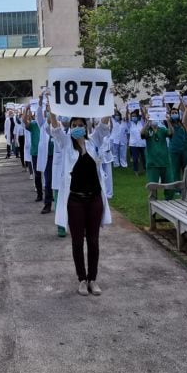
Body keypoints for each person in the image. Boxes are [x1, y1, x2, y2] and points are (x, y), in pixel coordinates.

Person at [46, 105, 112, 296]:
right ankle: (81, 279)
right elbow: (56, 129)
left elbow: (103, 125)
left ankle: (93, 279)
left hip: (94, 200)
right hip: (75, 200)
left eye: (80, 125)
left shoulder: (93, 142)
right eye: (73, 125)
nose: (77, 127)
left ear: (86, 126)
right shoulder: (66, 143)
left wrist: (109, 99)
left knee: (93, 241)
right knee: (77, 241)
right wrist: (52, 110)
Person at [142, 113, 174, 185]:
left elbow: (171, 133)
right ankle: (153, 196)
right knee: (153, 186)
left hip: (164, 162)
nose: (154, 121)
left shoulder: (162, 129)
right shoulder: (148, 130)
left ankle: (168, 196)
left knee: (169, 185)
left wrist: (168, 121)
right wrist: (147, 122)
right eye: (152, 119)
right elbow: (142, 134)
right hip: (152, 163)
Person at [126, 107, 146, 176]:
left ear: (137, 116)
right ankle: (136, 171)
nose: (133, 117)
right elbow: (126, 118)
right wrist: (127, 110)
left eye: (134, 116)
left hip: (142, 143)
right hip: (133, 144)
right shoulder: (130, 123)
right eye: (132, 116)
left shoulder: (141, 122)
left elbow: (144, 115)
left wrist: (141, 108)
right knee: (135, 159)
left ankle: (145, 169)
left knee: (144, 157)